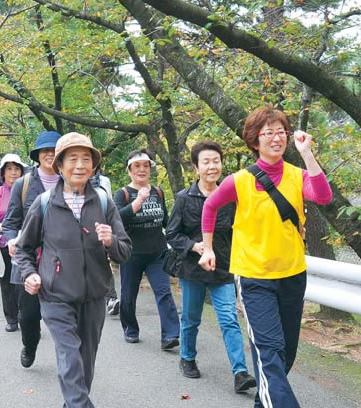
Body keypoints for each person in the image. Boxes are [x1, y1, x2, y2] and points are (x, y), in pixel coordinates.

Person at [199, 107, 333, 408]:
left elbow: (323, 196)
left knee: (286, 350)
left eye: (281, 131)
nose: (276, 137)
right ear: (254, 140)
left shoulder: (295, 174)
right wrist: (209, 247)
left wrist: (307, 154)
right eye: (268, 132)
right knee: (268, 347)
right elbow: (210, 206)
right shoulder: (240, 181)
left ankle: (262, 406)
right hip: (254, 276)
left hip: (291, 273)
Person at [15, 132, 131, 408]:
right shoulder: (45, 203)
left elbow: (125, 252)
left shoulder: (105, 204)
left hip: (94, 294)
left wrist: (111, 242)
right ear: (60, 165)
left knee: (86, 360)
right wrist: (30, 274)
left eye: (86, 159)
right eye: (72, 159)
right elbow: (23, 249)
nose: (80, 165)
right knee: (69, 358)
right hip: (55, 295)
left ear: (93, 165)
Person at [166, 141, 257, 393]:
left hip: (224, 268)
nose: (211, 166)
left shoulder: (231, 197)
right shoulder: (185, 199)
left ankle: (240, 372)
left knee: (229, 319)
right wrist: (195, 247)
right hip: (192, 269)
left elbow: (241, 230)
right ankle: (187, 357)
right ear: (196, 167)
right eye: (206, 162)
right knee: (191, 318)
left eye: (216, 161)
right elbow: (172, 234)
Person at [2, 130, 62, 368]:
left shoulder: (71, 182)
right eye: (46, 151)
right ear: (38, 155)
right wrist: (12, 240)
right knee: (28, 315)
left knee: (65, 315)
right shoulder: (24, 184)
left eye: (55, 151)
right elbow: (10, 222)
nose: (50, 155)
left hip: (63, 259)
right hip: (30, 259)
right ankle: (30, 344)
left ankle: (69, 359)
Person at [113, 150, 180, 349]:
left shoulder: (158, 192)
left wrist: (177, 241)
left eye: (145, 166)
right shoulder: (123, 193)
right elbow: (117, 217)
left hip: (156, 253)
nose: (142, 170)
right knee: (128, 295)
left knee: (164, 292)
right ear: (129, 170)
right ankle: (131, 329)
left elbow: (166, 221)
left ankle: (170, 335)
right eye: (137, 166)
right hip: (131, 253)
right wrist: (138, 201)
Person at [0, 154, 27, 331]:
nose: (13, 173)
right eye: (9, 169)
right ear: (2, 173)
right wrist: (4, 228)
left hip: (26, 244)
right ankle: (11, 318)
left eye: (16, 169)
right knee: (7, 283)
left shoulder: (28, 191)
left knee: (25, 283)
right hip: (4, 243)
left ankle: (26, 317)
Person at [91, 168, 119, 315]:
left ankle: (111, 298)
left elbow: (110, 203)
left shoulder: (104, 181)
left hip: (101, 226)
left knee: (104, 262)